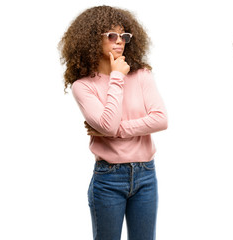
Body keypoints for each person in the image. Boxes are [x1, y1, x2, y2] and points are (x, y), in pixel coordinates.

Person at [59, 5, 168, 240]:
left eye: (124, 35)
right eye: (111, 35)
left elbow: (160, 119)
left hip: (146, 174)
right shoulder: (83, 86)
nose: (119, 41)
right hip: (108, 178)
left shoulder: (142, 75)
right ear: (90, 39)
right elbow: (107, 125)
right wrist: (117, 76)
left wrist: (118, 131)